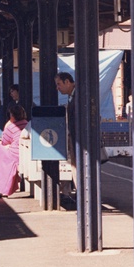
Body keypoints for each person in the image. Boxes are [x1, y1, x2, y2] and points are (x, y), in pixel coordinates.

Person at [0, 105, 29, 197]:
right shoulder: (26, 123)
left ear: (12, 116)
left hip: (15, 155)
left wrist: (7, 126)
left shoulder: (11, 127)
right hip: (25, 153)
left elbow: (4, 142)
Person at [55, 71, 77, 208]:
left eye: (59, 84)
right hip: (74, 139)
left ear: (67, 82)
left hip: (79, 141)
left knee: (77, 167)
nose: (57, 88)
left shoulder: (78, 96)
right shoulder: (71, 97)